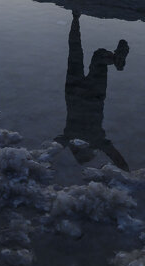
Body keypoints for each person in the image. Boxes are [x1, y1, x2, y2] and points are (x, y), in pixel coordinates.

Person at [54, 11, 130, 168]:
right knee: (75, 50)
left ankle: (114, 58)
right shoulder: (69, 138)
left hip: (94, 95)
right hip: (73, 91)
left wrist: (128, 172)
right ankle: (75, 18)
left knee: (98, 58)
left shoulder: (98, 142)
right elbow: (53, 147)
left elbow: (115, 155)